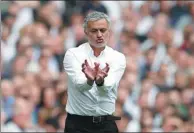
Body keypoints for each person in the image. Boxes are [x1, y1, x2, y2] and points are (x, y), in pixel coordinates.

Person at [63, 11, 126, 133]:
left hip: (106, 125)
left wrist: (100, 81)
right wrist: (90, 80)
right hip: (77, 125)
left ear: (109, 32)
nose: (99, 35)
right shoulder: (73, 54)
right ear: (86, 32)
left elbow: (108, 86)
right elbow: (79, 85)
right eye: (94, 31)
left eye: (103, 30)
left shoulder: (118, 57)